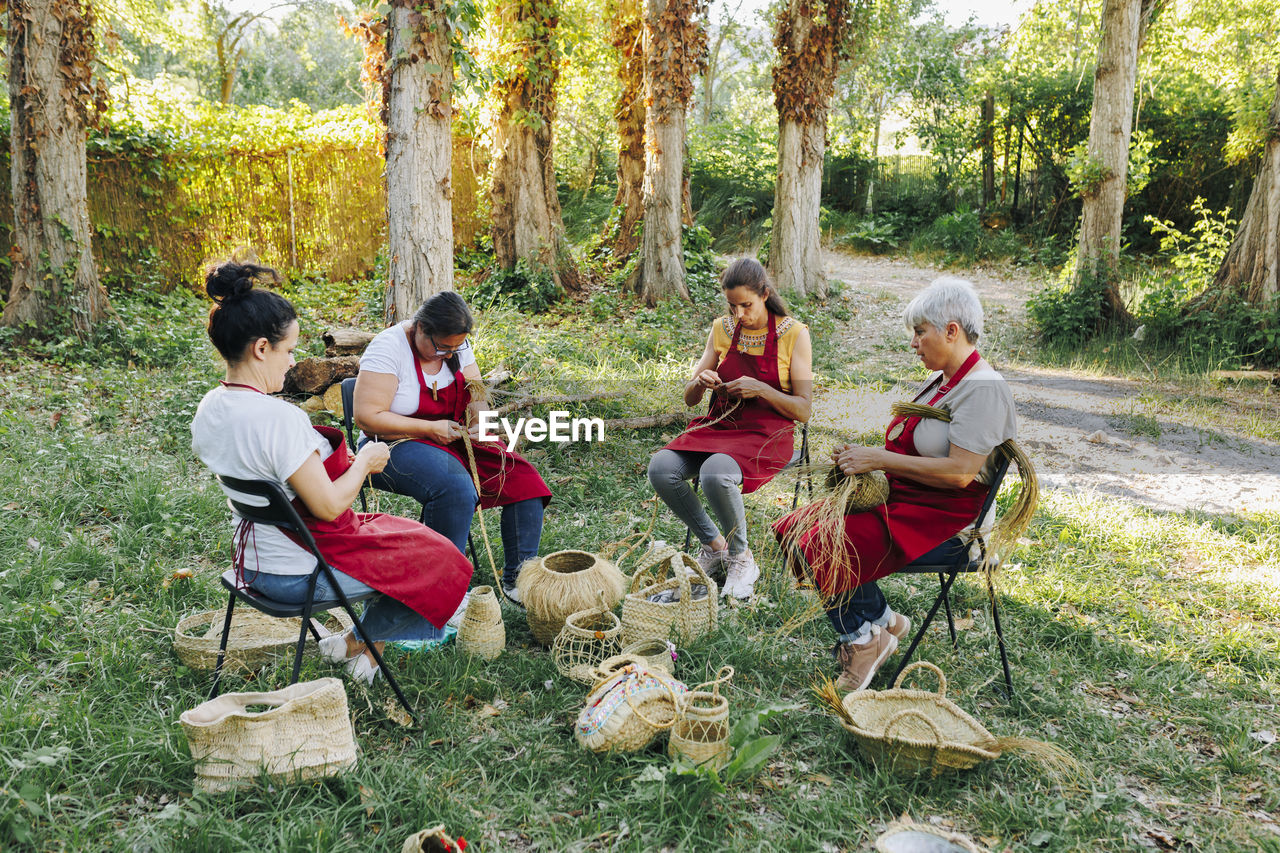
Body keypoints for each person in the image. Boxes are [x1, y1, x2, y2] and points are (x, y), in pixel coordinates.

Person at [191, 261, 473, 686]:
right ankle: (368, 642)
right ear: (262, 348)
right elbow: (327, 507)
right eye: (288, 351)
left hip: (248, 563)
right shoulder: (277, 419)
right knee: (442, 560)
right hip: (294, 575)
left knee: (414, 537)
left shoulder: (210, 407)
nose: (290, 364)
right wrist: (365, 462)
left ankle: (354, 643)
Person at [773, 277, 1016, 692]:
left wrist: (880, 459)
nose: (914, 343)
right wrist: (865, 459)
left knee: (827, 538)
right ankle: (882, 620)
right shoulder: (946, 380)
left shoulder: (984, 389)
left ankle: (863, 640)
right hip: (913, 502)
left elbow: (960, 472)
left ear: (951, 330)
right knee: (794, 527)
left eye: (920, 332)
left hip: (950, 525)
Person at [352, 292, 551, 601]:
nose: (448, 354)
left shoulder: (456, 345)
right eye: (441, 347)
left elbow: (476, 390)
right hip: (392, 444)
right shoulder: (388, 348)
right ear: (420, 327)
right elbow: (367, 417)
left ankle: (518, 581)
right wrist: (430, 428)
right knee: (456, 487)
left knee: (520, 475)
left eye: (454, 348)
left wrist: (479, 422)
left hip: (451, 436)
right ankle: (442, 588)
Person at [648, 258, 813, 600]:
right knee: (661, 469)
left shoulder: (794, 334)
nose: (739, 314)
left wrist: (763, 389)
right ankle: (714, 545)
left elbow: (804, 410)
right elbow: (691, 399)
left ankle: (741, 558)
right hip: (719, 426)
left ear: (765, 294)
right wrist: (700, 382)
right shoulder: (722, 329)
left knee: (714, 472)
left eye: (747, 305)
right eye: (732, 305)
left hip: (767, 433)